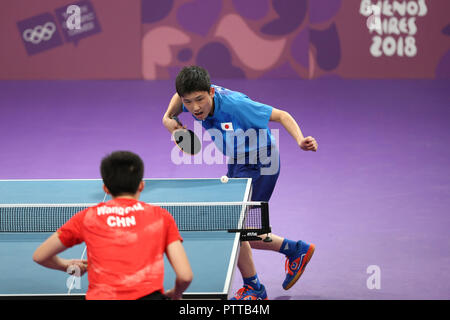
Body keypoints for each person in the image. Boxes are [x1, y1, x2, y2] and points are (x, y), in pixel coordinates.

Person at [162, 66, 318, 300]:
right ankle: (294, 251)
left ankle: (258, 283)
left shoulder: (237, 106)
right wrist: (169, 123)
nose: (195, 108)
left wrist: (300, 140)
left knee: (237, 230)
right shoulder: (188, 100)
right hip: (238, 162)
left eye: (200, 100)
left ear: (211, 92)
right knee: (238, 229)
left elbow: (282, 115)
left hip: (261, 163)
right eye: (189, 101)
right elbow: (174, 107)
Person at [33, 151, 193, 300]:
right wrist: (176, 294)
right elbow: (185, 276)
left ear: (105, 189)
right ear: (141, 185)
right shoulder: (161, 217)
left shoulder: (87, 217)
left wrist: (66, 265)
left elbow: (40, 256)